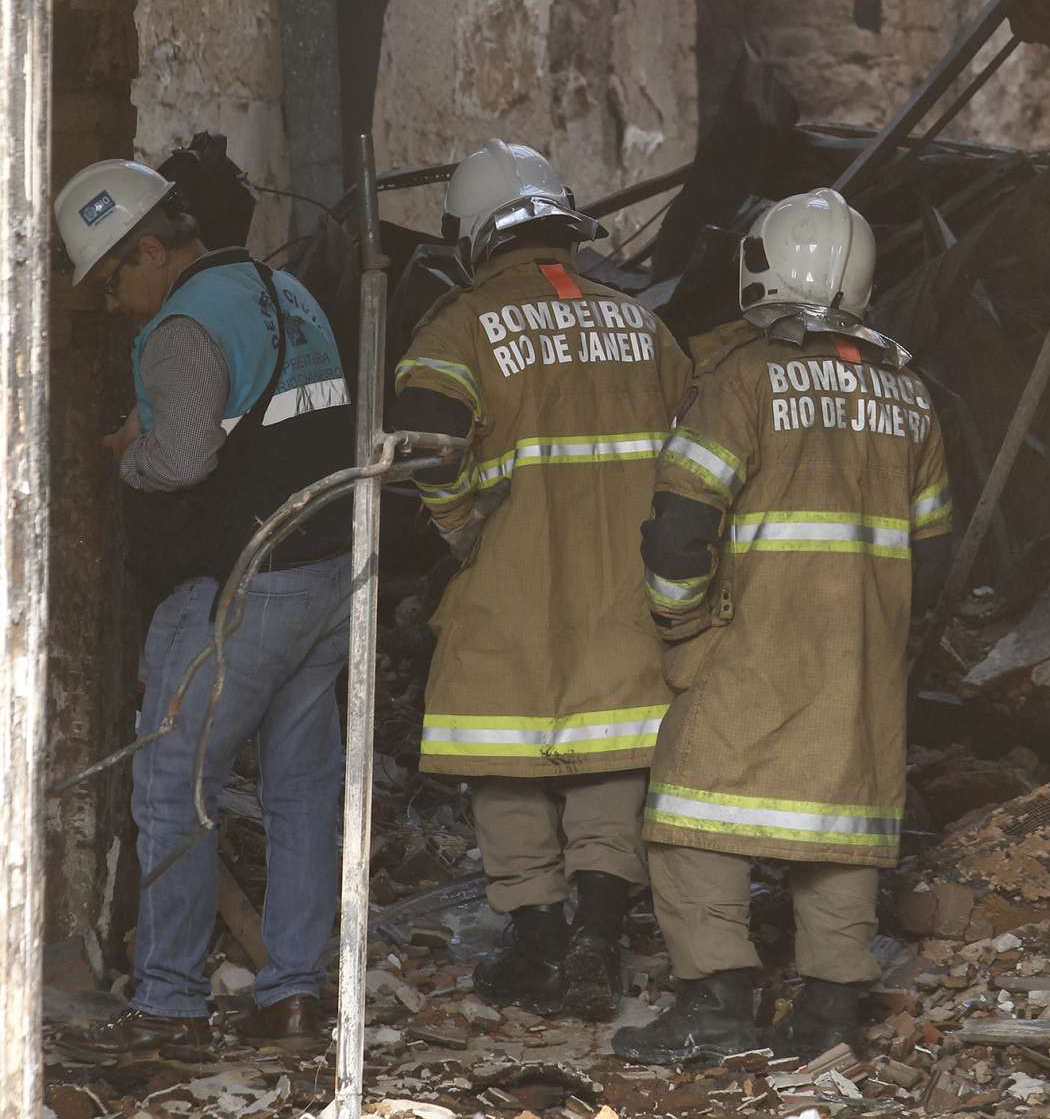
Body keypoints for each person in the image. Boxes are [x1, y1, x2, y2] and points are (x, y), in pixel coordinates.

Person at [613, 188, 953, 1067]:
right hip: (862, 661)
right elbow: (937, 552)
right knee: (843, 824)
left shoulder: (740, 380)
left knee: (690, 816)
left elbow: (679, 529)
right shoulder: (910, 395)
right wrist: (892, 641)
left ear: (760, 268)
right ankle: (830, 1011)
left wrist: (681, 629)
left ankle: (717, 1004)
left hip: (751, 648)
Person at [54, 159, 356, 1058]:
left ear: (150, 248)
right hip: (329, 571)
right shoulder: (285, 289)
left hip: (241, 583)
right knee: (302, 789)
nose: (115, 305)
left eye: (114, 280)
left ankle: (172, 1004)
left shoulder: (182, 324)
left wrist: (125, 457)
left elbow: (183, 461)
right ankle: (295, 997)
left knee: (173, 789)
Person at [390, 139, 690, 1020]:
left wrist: (458, 522)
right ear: (563, 223)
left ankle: (536, 946)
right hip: (626, 589)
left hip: (512, 584)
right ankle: (600, 936)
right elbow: (700, 455)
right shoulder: (642, 324)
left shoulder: (457, 326)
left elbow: (422, 439)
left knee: (506, 763)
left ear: (477, 237)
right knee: (613, 757)